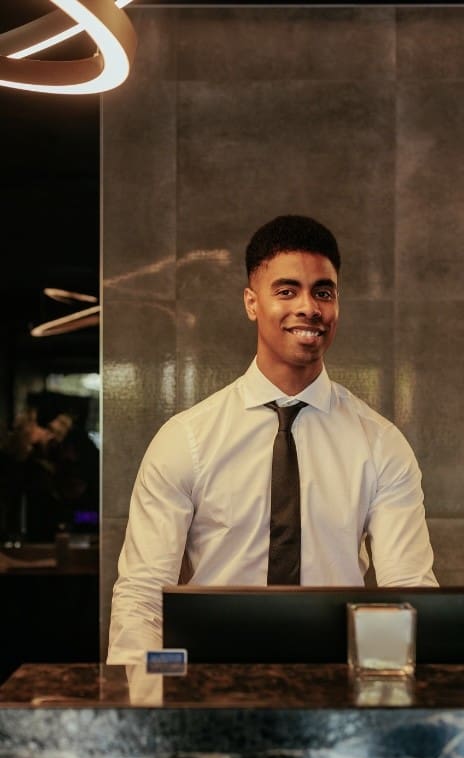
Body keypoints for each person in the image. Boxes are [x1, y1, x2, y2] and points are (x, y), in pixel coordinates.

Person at [108, 215, 438, 662]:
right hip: (213, 682)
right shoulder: (186, 440)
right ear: (251, 302)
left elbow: (408, 594)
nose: (309, 307)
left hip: (335, 686)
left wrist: (381, 696)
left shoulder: (380, 443)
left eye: (324, 292)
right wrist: (147, 706)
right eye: (286, 291)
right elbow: (143, 597)